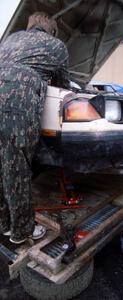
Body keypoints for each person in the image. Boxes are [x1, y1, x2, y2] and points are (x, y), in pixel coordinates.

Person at [0, 12, 70, 244]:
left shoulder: (9, 39)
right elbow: (62, 87)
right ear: (51, 30)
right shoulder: (56, 46)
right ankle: (22, 231)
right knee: (16, 168)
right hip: (17, 104)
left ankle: (4, 223)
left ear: (30, 27)